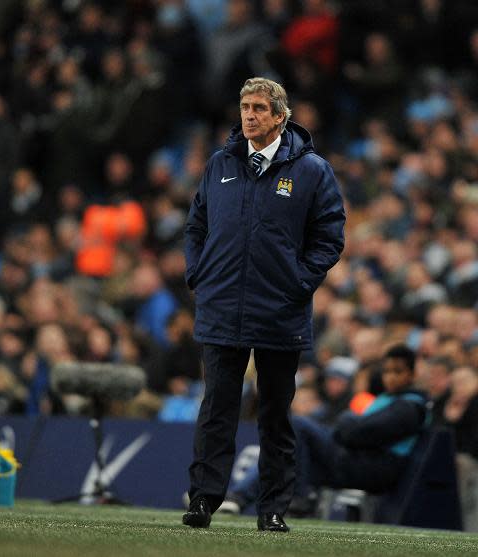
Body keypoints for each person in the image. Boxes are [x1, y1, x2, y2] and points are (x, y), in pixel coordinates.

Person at [182, 77, 345, 532]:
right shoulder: (220, 164)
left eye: (258, 108)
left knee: (275, 413)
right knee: (217, 409)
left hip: (279, 310)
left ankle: (272, 508)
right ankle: (202, 501)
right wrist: (199, 273)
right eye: (244, 107)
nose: (249, 115)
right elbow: (195, 226)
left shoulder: (312, 171)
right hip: (221, 305)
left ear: (280, 117)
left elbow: (330, 235)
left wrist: (299, 282)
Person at [219, 344, 430, 517]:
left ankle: (300, 497)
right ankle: (237, 498)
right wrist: (349, 423)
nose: (390, 377)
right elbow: (354, 430)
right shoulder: (389, 399)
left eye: (398, 372)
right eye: (387, 371)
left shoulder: (410, 407)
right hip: (358, 459)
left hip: (372, 467)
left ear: (412, 374)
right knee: (285, 456)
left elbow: (356, 434)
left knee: (299, 424)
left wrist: (347, 420)